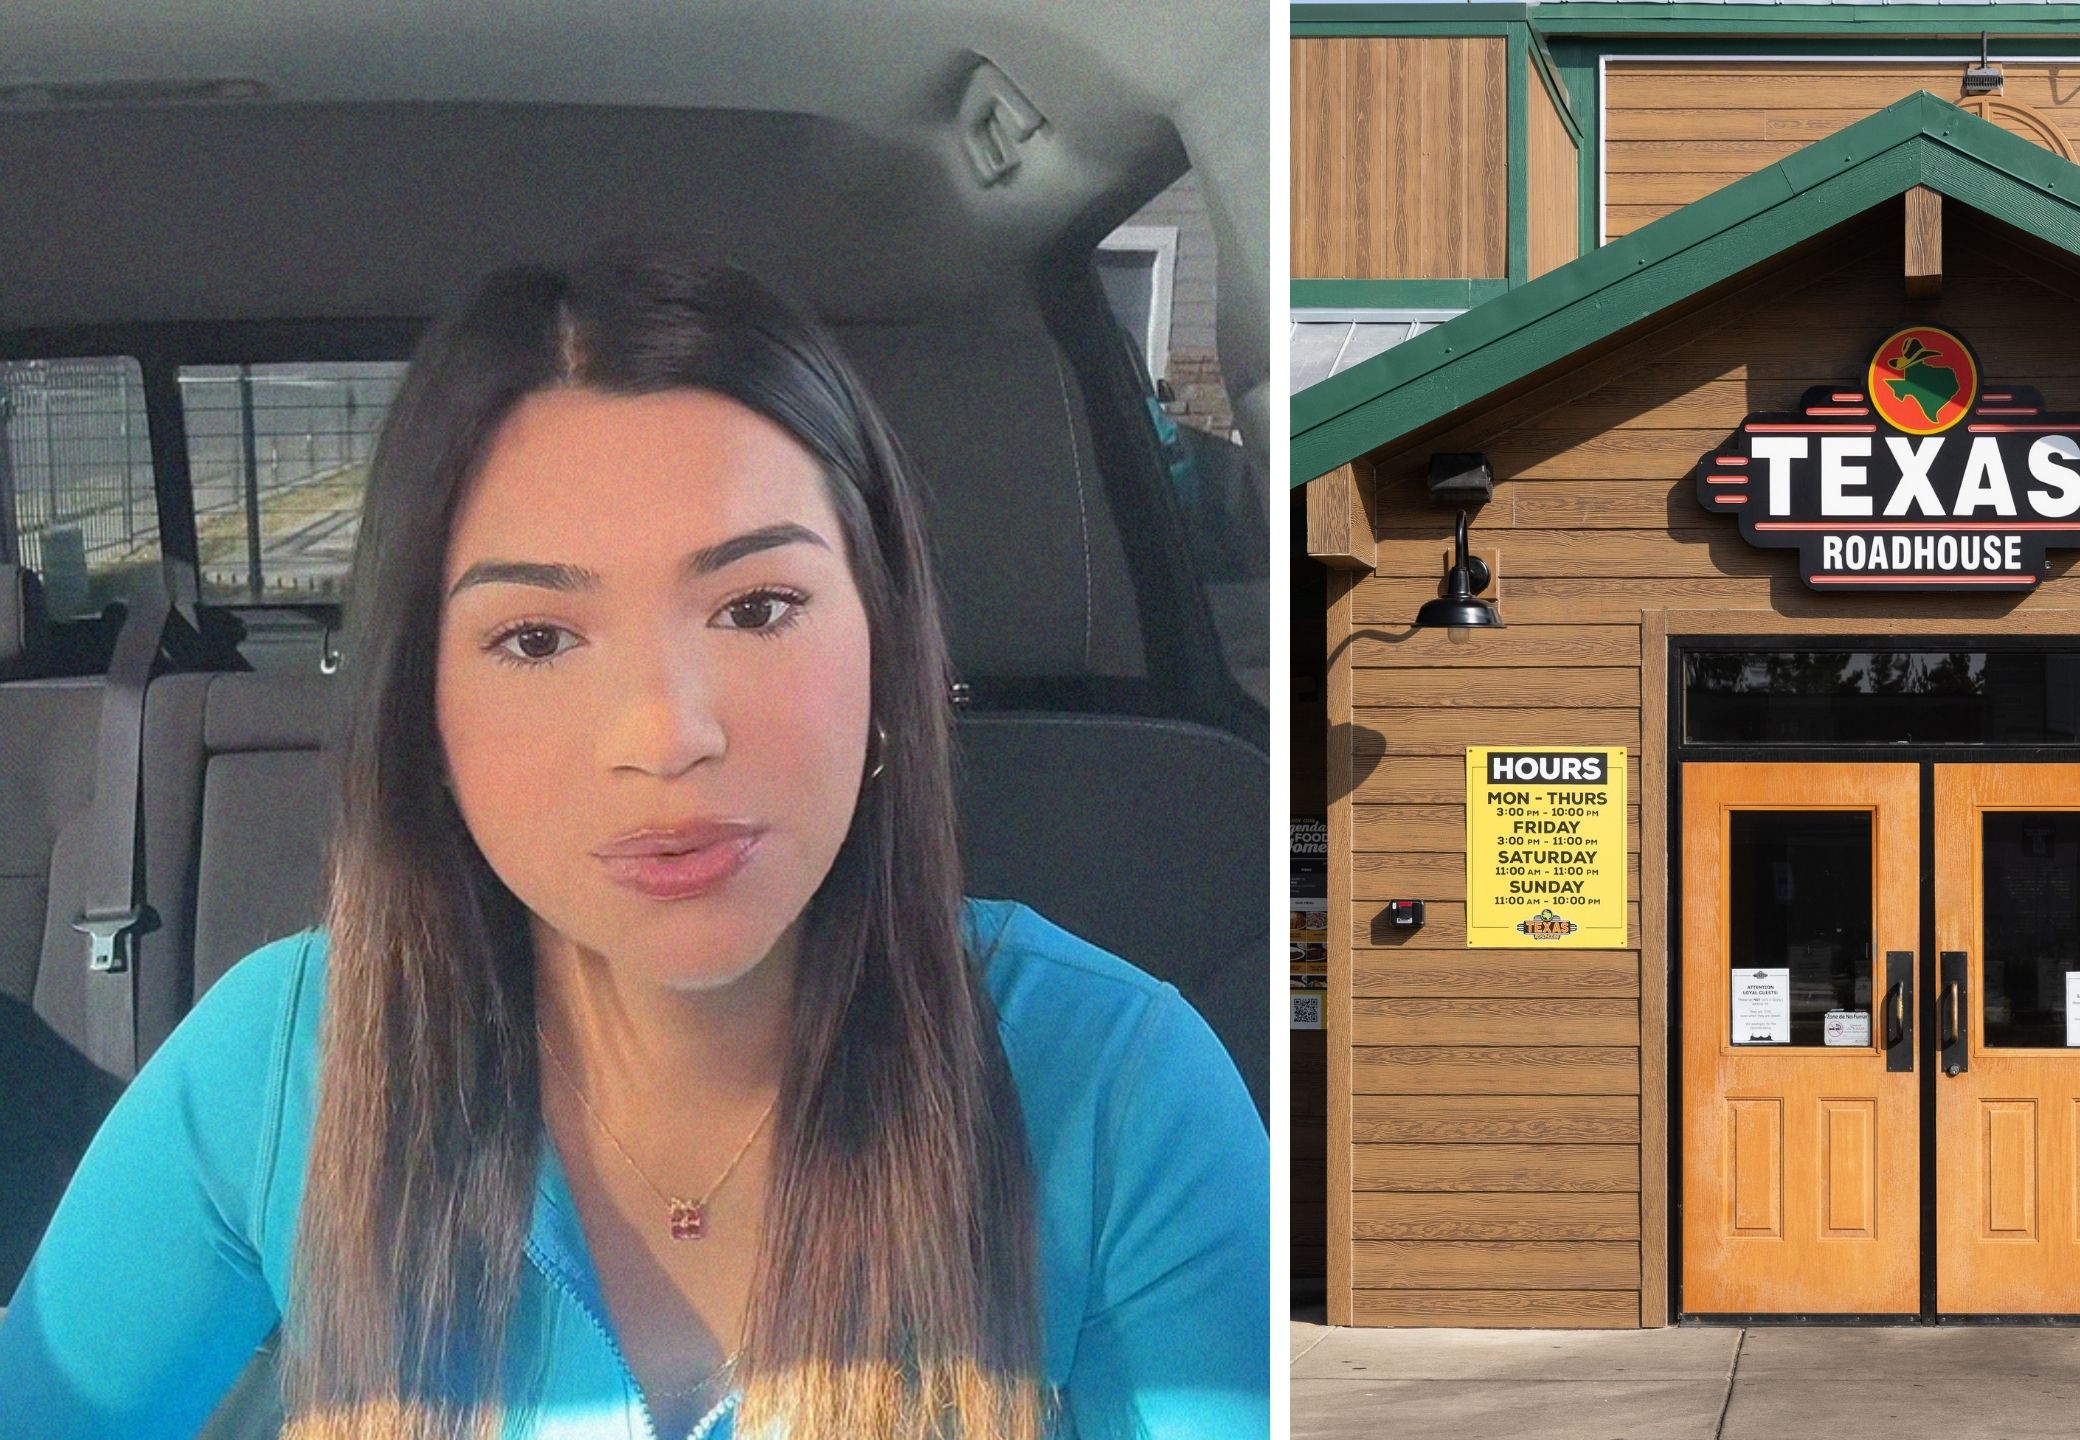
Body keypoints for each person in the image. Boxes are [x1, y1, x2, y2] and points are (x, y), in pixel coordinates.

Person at [0, 248, 1269, 1440]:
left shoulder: (1120, 1090)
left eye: (757, 607)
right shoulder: (283, 1061)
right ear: (423, 710)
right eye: (537, 639)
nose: (667, 735)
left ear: (887, 651)